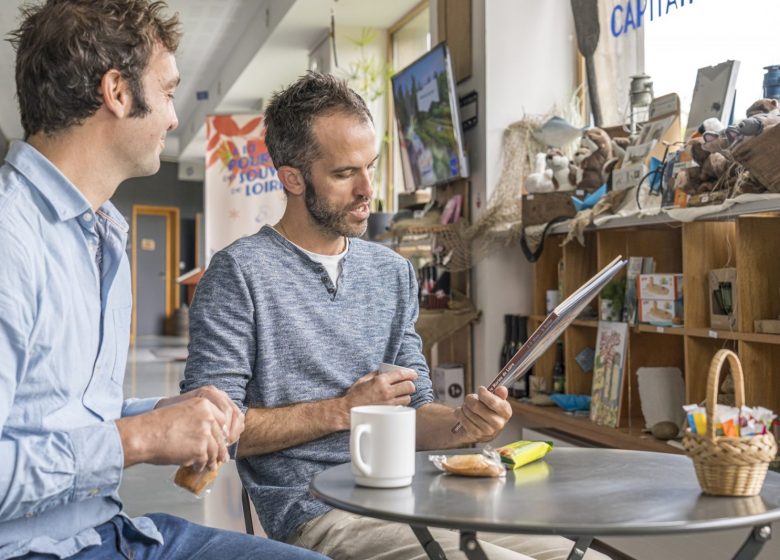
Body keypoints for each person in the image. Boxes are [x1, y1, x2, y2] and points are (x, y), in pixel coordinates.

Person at [182, 72, 607, 560]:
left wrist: (465, 426)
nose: (367, 189)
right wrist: (344, 409)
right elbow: (209, 433)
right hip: (317, 511)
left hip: (418, 493)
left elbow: (414, 413)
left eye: (372, 167)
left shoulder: (391, 272)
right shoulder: (239, 274)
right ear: (292, 178)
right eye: (345, 174)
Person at [0, 2, 325, 559]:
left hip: (107, 531)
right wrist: (141, 439)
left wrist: (164, 416)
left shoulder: (102, 237)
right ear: (118, 93)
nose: (174, 118)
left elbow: (63, 418)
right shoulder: (11, 239)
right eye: (169, 91)